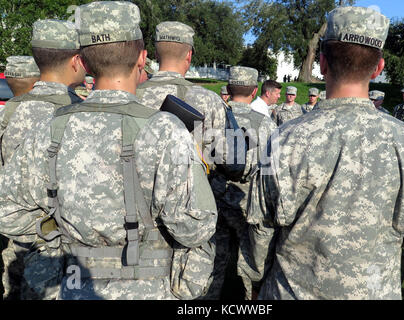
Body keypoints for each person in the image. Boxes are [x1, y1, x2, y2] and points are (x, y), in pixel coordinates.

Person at [0, 1, 217, 300]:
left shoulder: (48, 129)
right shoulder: (166, 131)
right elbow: (195, 227)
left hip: (70, 285)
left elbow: (8, 211)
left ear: (84, 64)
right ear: (142, 59)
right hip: (148, 288)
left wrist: (57, 234)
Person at [238, 6, 404, 300]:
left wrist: (255, 280)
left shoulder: (286, 139)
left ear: (322, 63)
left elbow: (260, 229)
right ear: (378, 68)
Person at [0, 20, 84, 300]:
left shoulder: (12, 113)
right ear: (76, 60)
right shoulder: (80, 114)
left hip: (18, 239)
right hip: (62, 248)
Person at [206, 66, 276, 300]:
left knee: (213, 260)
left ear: (228, 88)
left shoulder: (213, 118)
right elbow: (269, 170)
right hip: (246, 203)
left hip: (213, 200)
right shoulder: (265, 124)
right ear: (255, 90)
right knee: (248, 263)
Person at [136, 21, 227, 174]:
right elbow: (222, 155)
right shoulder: (210, 100)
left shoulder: (132, 94)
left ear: (156, 54)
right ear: (189, 55)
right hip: (193, 190)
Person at [0, 55, 40, 300]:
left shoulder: (6, 116)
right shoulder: (53, 111)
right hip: (44, 226)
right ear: (36, 81)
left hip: (11, 225)